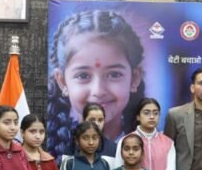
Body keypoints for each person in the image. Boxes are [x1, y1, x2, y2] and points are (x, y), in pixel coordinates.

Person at [46, 9, 147, 157]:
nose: (98, 91)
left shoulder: (150, 147)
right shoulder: (57, 151)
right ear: (62, 81)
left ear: (134, 78)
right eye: (83, 75)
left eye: (114, 74)